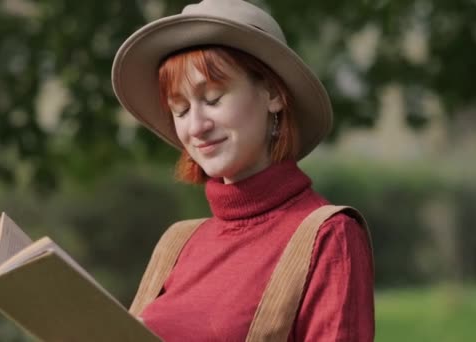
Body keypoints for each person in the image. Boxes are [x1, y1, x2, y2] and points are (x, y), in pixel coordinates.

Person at [111, 0, 375, 341]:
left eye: (214, 99)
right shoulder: (176, 244)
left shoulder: (328, 236)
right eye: (180, 109)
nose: (197, 126)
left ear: (274, 94)